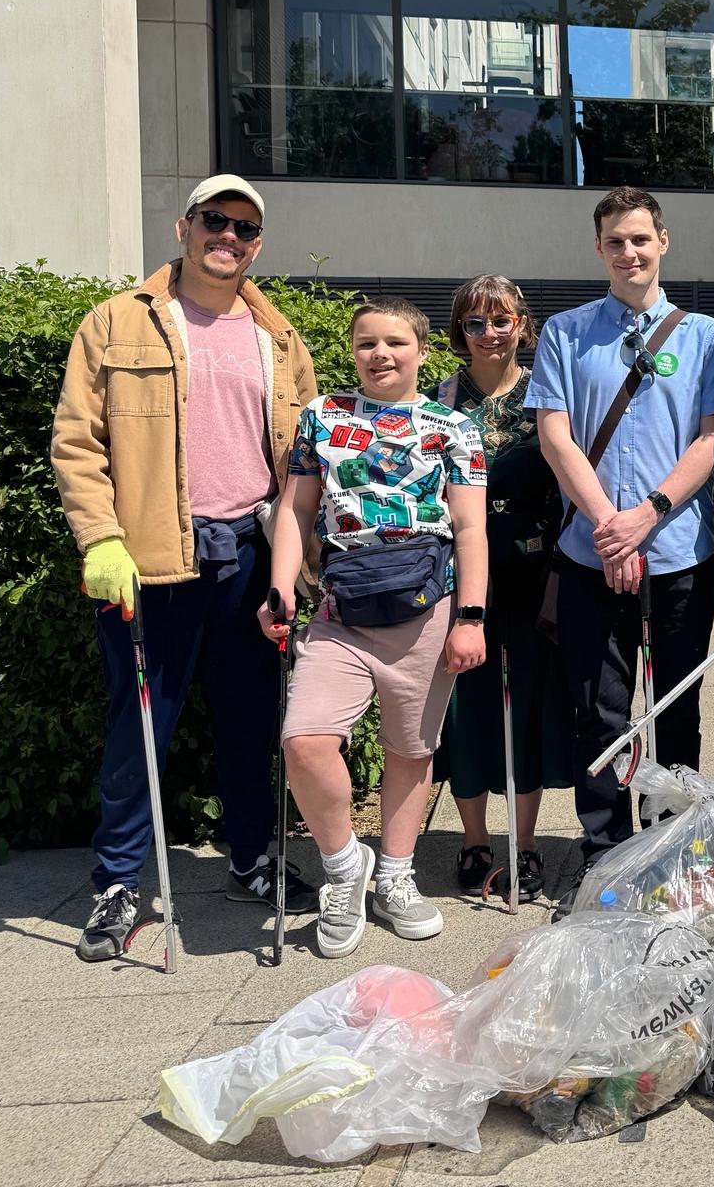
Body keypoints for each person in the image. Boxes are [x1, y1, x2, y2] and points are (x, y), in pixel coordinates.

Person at [52, 174, 319, 963]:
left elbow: (304, 458)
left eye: (243, 227)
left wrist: (303, 557)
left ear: (256, 243)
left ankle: (248, 859)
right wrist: (99, 538)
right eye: (214, 221)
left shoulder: (279, 336)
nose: (226, 237)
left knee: (247, 721)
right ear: (183, 226)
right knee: (141, 728)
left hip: (250, 552)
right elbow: (76, 441)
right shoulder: (116, 323)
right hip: (151, 559)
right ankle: (117, 884)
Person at [260, 298, 490, 958]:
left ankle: (395, 875)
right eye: (367, 343)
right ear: (353, 351)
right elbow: (295, 510)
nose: (380, 354)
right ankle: (344, 868)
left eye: (395, 342)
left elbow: (471, 528)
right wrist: (279, 589)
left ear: (421, 351)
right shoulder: (322, 417)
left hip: (427, 608)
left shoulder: (452, 427)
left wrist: (470, 617)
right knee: (304, 741)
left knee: (410, 752)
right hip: (341, 611)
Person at [529, 187, 714, 894]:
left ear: (662, 242)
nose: (629, 252)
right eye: (616, 241)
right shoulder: (566, 332)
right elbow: (556, 436)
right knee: (600, 709)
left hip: (678, 552)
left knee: (677, 705)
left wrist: (646, 515)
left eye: (640, 239)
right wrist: (610, 530)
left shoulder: (705, 335)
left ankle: (679, 838)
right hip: (590, 553)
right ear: (599, 249)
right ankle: (604, 842)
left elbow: (710, 440)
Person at [430, 276, 571, 902]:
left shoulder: (548, 396)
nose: (488, 334)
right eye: (473, 323)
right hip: (462, 573)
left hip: (532, 569)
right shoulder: (438, 399)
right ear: (459, 331)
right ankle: (473, 840)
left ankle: (528, 844)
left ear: (522, 324)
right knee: (468, 706)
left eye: (500, 320)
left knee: (529, 704)